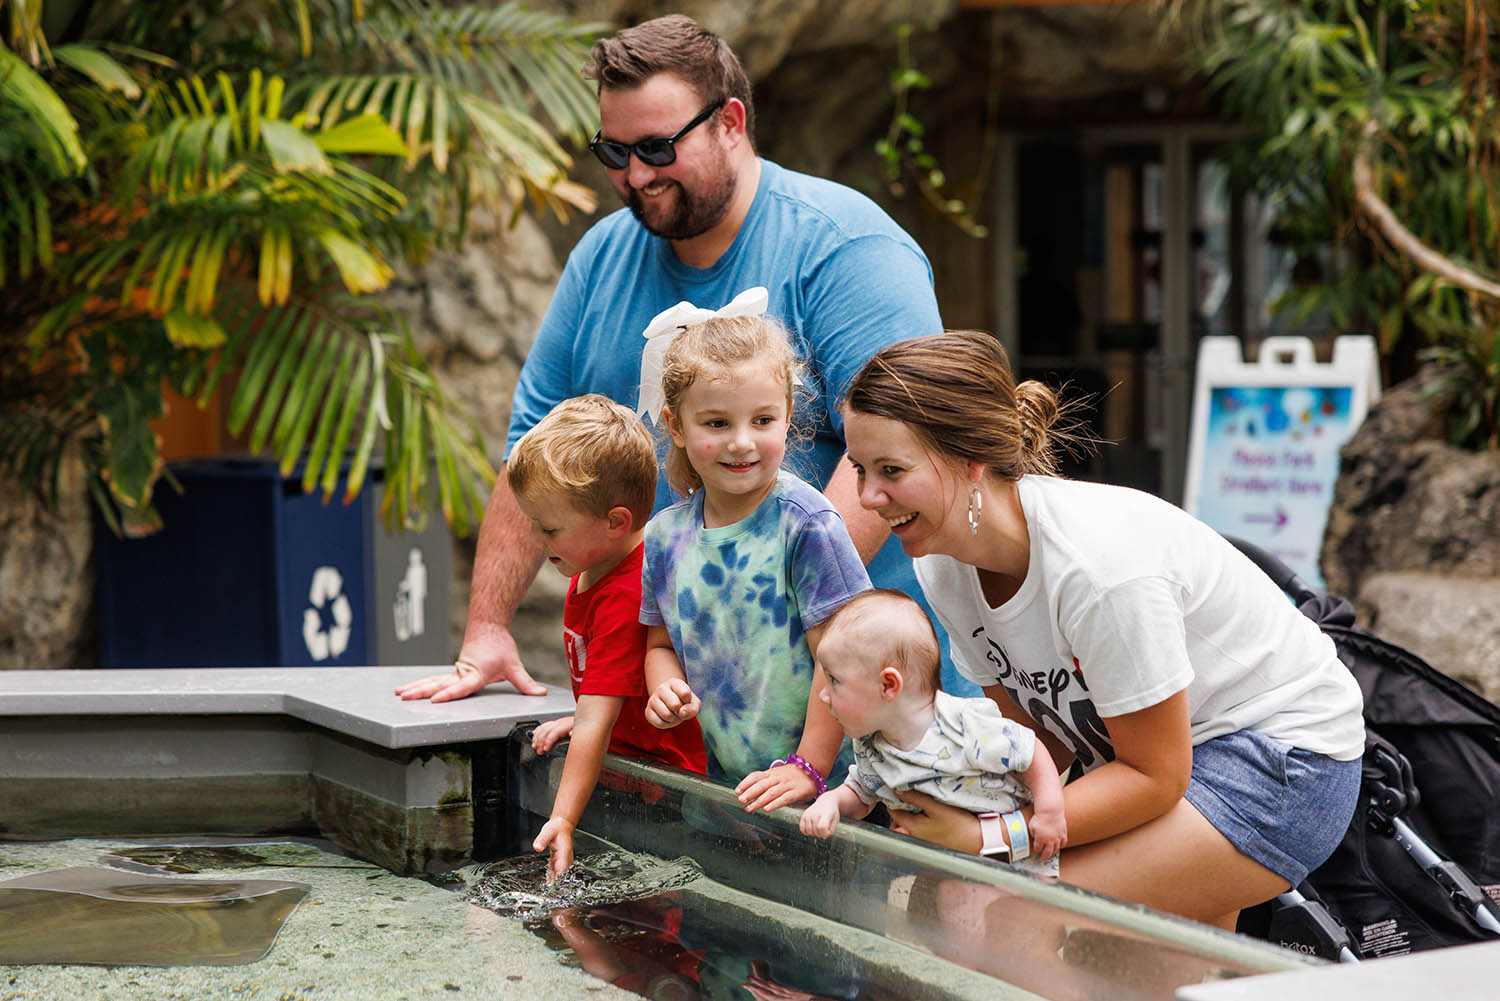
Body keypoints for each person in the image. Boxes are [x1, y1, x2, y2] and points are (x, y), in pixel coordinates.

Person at [394, 12, 971, 708]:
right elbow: (531, 452)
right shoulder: (601, 257)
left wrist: (743, 620)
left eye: (658, 147)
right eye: (614, 153)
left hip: (867, 692)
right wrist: (486, 628)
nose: (636, 175)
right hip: (685, 693)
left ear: (730, 122)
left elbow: (893, 449)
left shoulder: (848, 249)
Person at [838, 330, 1366, 929]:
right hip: (1159, 756)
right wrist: (928, 786)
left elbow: (1155, 774)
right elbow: (1037, 737)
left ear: (970, 458)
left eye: (891, 469)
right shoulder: (939, 560)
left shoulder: (1099, 573)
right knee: (1174, 974)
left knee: (1005, 916)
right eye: (859, 469)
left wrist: (988, 836)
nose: (868, 496)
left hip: (1281, 759)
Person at [640, 315, 870, 811]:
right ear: (676, 426)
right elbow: (659, 642)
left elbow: (845, 659)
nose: (741, 441)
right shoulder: (663, 538)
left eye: (762, 420)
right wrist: (664, 686)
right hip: (725, 790)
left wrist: (809, 766)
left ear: (788, 415)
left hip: (828, 793)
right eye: (717, 422)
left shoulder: (806, 524)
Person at [508, 395, 708, 879]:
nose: (536, 541)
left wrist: (562, 818)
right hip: (633, 771)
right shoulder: (591, 564)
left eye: (549, 528)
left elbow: (600, 722)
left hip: (664, 794)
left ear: (616, 522)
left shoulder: (624, 593)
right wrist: (580, 717)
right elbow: (605, 697)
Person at [797, 589, 1066, 878]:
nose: (823, 696)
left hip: (1018, 864)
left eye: (835, 680)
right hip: (948, 870)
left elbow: (1030, 750)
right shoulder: (870, 743)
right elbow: (862, 794)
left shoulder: (964, 728)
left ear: (888, 685)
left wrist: (1049, 811)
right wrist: (831, 802)